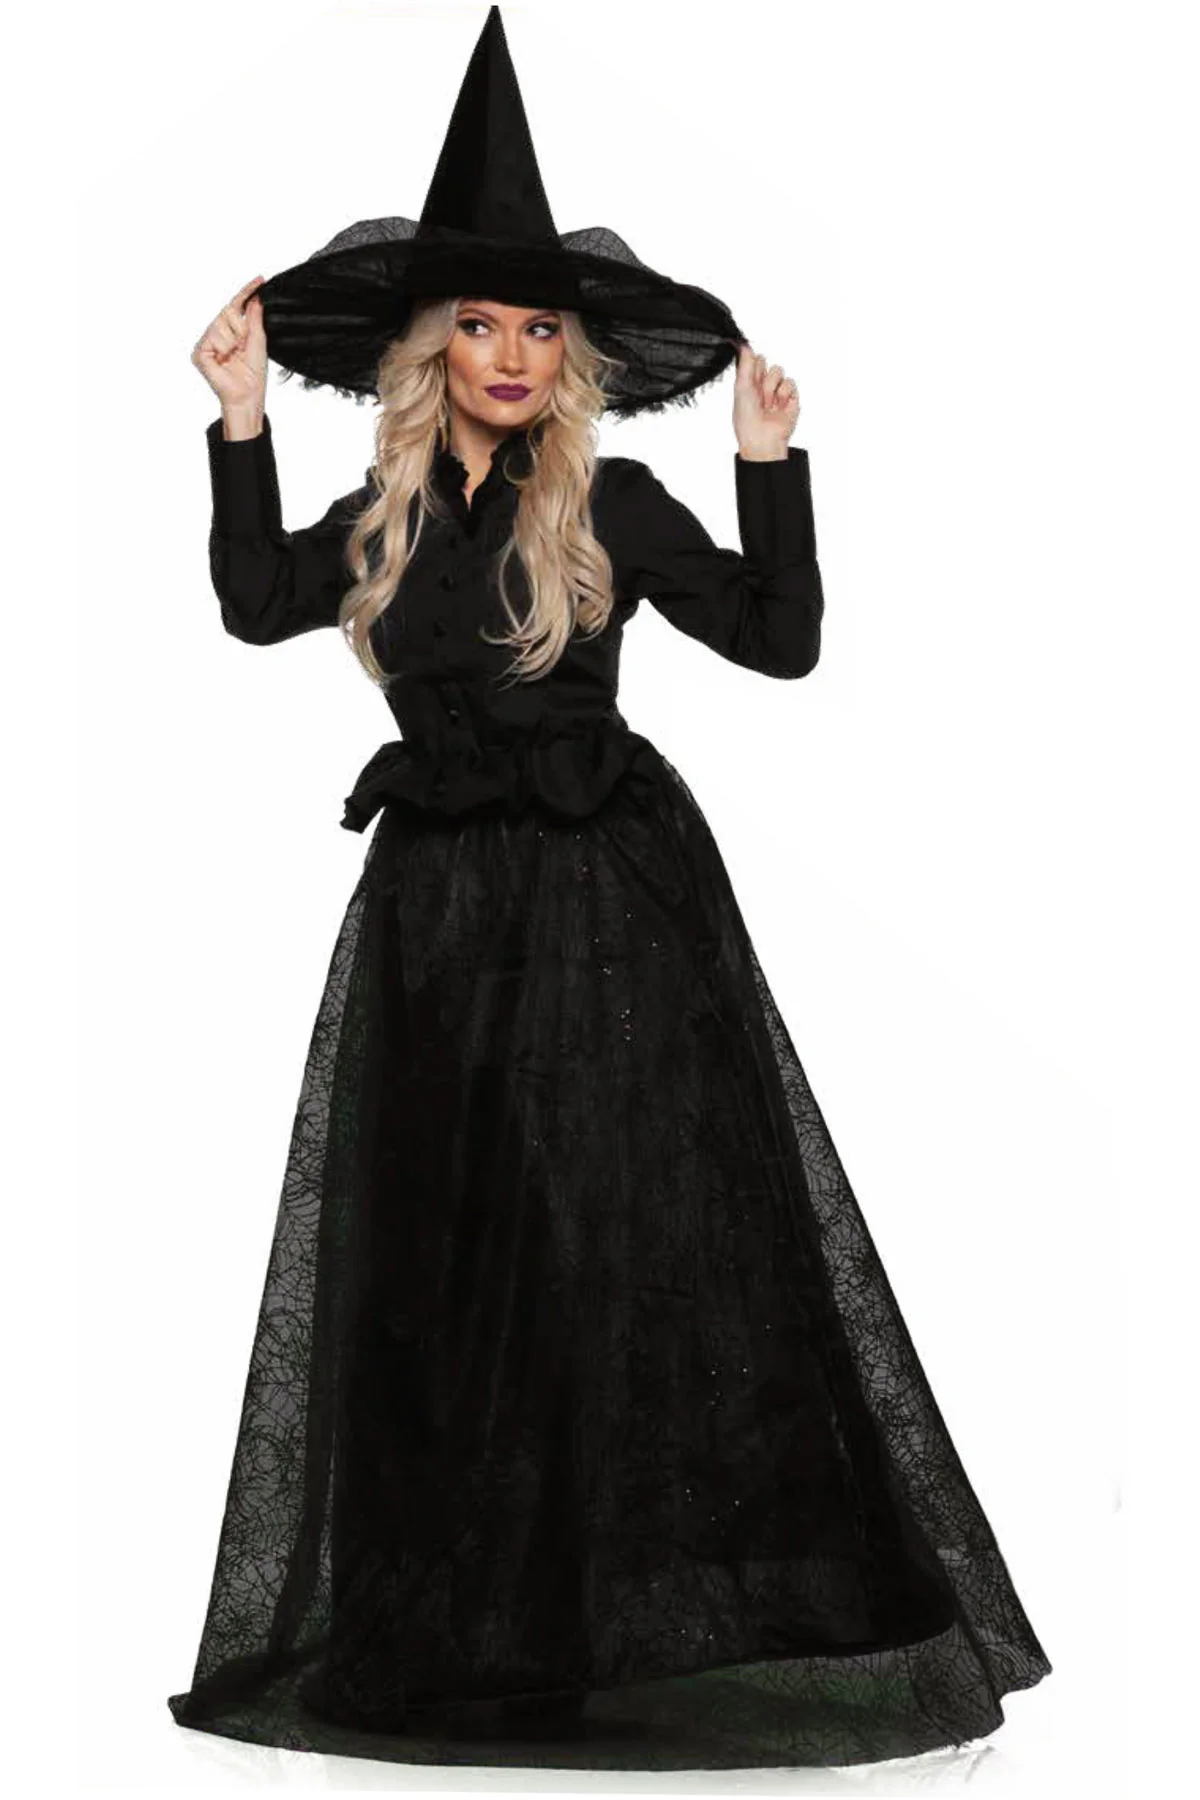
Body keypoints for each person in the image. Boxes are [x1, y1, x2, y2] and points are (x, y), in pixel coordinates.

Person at [168, 6, 1051, 1773]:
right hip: (435, 918)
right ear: (429, 348)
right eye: (478, 324)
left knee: (603, 1238)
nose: (509, 353)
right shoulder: (386, 515)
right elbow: (255, 603)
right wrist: (242, 418)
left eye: (538, 330)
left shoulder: (613, 502)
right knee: (441, 1244)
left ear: (571, 356)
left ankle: (627, 1608)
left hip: (604, 907)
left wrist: (769, 466)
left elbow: (783, 644)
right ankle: (464, 1623)